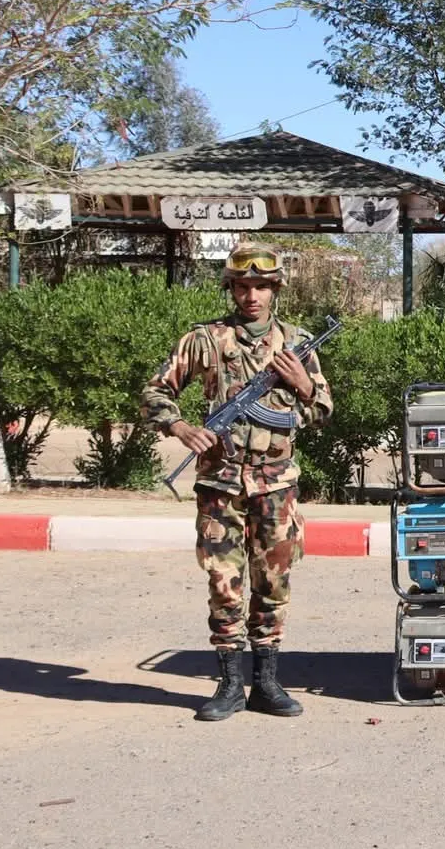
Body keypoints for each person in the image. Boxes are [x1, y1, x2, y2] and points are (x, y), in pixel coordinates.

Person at [140, 243, 332, 722]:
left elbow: (323, 411)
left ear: (275, 290)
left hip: (276, 485)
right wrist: (181, 428)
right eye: (243, 286)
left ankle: (266, 683)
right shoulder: (204, 339)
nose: (251, 296)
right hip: (221, 484)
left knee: (273, 585)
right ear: (232, 288)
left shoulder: (295, 343)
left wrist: (302, 384)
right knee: (224, 584)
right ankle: (228, 684)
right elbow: (155, 390)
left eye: (261, 286)